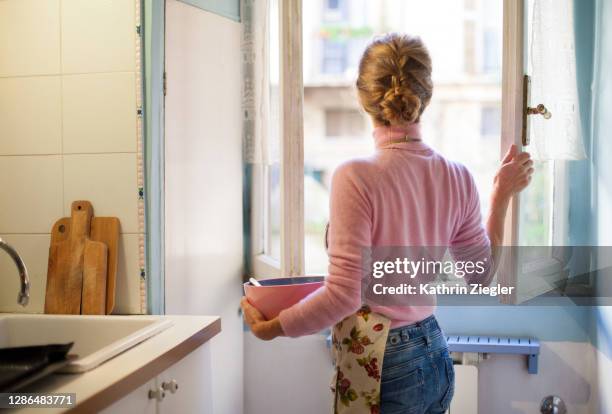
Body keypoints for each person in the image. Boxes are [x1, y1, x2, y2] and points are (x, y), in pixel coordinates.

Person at [241, 33, 534, 413]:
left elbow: (343, 295)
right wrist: (500, 197)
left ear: (363, 97)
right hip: (435, 352)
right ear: (425, 95)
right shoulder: (457, 176)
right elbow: (481, 275)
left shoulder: (355, 177)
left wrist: (274, 326)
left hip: (385, 363)